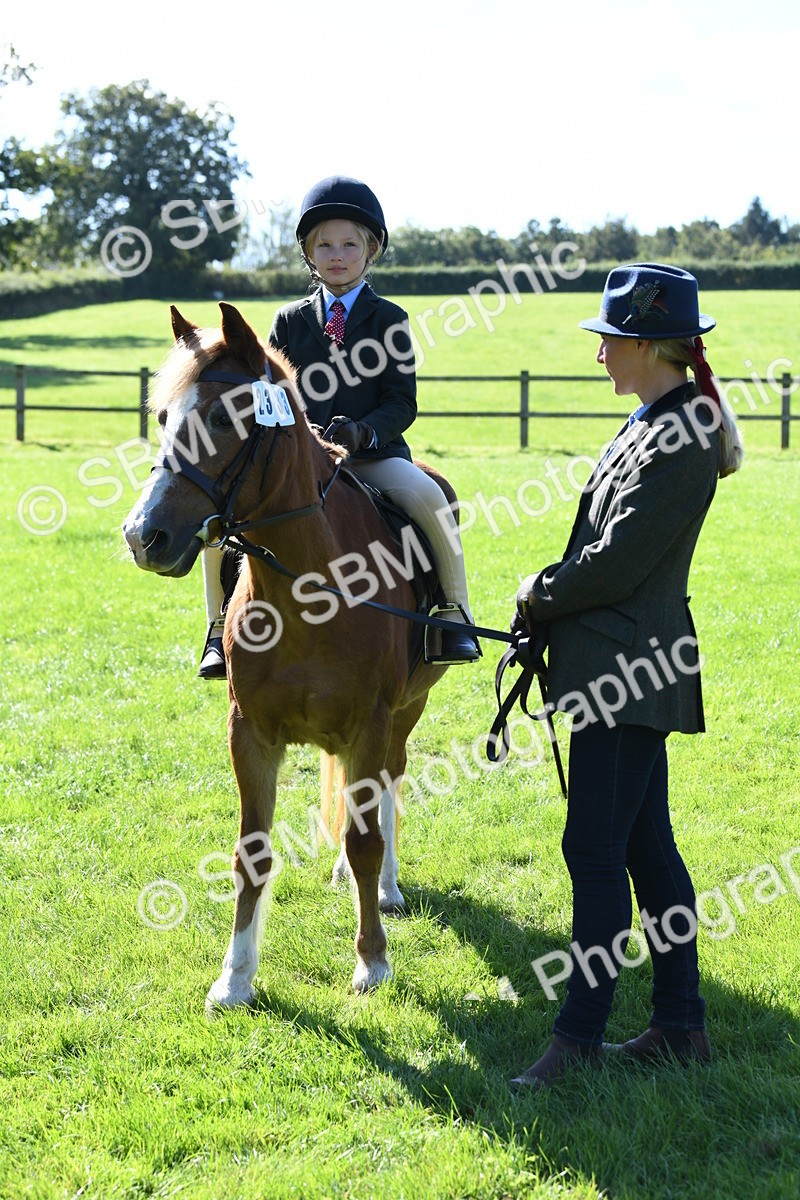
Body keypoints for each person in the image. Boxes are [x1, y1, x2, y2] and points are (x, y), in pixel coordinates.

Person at [509, 263, 743, 1089]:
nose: (600, 354)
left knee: (595, 851)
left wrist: (539, 591)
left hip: (629, 672)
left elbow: (617, 562)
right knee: (646, 848)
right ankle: (682, 1025)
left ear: (646, 343)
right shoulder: (653, 418)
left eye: (610, 341)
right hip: (618, 661)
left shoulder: (682, 433)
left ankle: (576, 1043)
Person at [198, 175, 480, 677]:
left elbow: (401, 402)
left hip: (374, 456)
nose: (336, 254)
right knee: (218, 522)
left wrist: (364, 432)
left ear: (370, 250)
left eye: (349, 244)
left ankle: (451, 612)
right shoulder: (288, 321)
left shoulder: (388, 318)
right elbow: (272, 396)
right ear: (309, 253)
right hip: (302, 460)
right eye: (323, 245)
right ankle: (220, 629)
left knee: (430, 497)